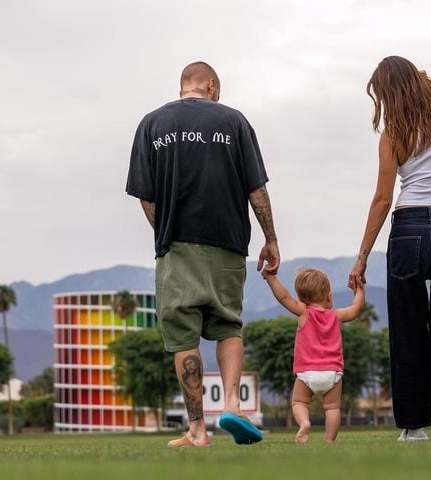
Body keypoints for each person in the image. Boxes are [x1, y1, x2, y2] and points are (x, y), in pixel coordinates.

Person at [126, 61, 280, 448]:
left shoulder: (151, 124)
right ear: (211, 85)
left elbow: (145, 197)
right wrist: (271, 238)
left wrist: (166, 231)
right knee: (228, 326)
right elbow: (256, 189)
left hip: (176, 246)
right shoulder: (235, 121)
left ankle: (197, 429)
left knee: (183, 338)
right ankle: (232, 406)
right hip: (229, 242)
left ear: (184, 86)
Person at [348, 56, 431, 442]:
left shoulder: (393, 135)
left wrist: (362, 257)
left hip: (408, 229)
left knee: (407, 328)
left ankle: (413, 426)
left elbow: (382, 199)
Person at [262, 267, 365, 443]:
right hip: (332, 373)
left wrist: (270, 277)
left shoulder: (304, 312)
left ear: (302, 298)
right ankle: (329, 441)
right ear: (328, 296)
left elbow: (284, 297)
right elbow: (356, 309)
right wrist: (360, 289)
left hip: (307, 373)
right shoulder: (336, 315)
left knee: (299, 403)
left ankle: (304, 423)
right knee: (332, 408)